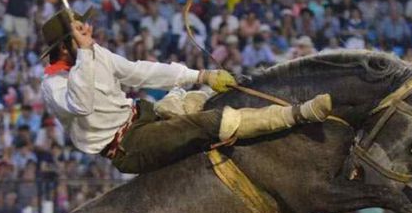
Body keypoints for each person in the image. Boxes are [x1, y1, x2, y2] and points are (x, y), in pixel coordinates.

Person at [40, 11, 331, 174]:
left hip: (142, 114)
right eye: (78, 38)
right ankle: (297, 114)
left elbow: (140, 71)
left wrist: (201, 75)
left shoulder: (94, 54)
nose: (88, 38)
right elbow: (82, 105)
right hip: (128, 144)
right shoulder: (54, 85)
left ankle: (209, 89)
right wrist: (87, 53)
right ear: (64, 47)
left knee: (190, 99)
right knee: (208, 122)